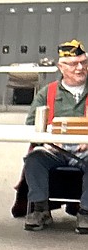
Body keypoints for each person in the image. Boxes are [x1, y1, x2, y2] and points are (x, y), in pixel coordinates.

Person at [21, 38, 88, 232]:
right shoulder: (46, 93)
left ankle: (85, 212)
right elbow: (31, 124)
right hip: (55, 150)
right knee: (34, 159)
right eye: (74, 64)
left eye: (83, 62)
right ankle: (39, 209)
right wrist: (48, 140)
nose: (80, 68)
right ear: (61, 67)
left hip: (85, 150)